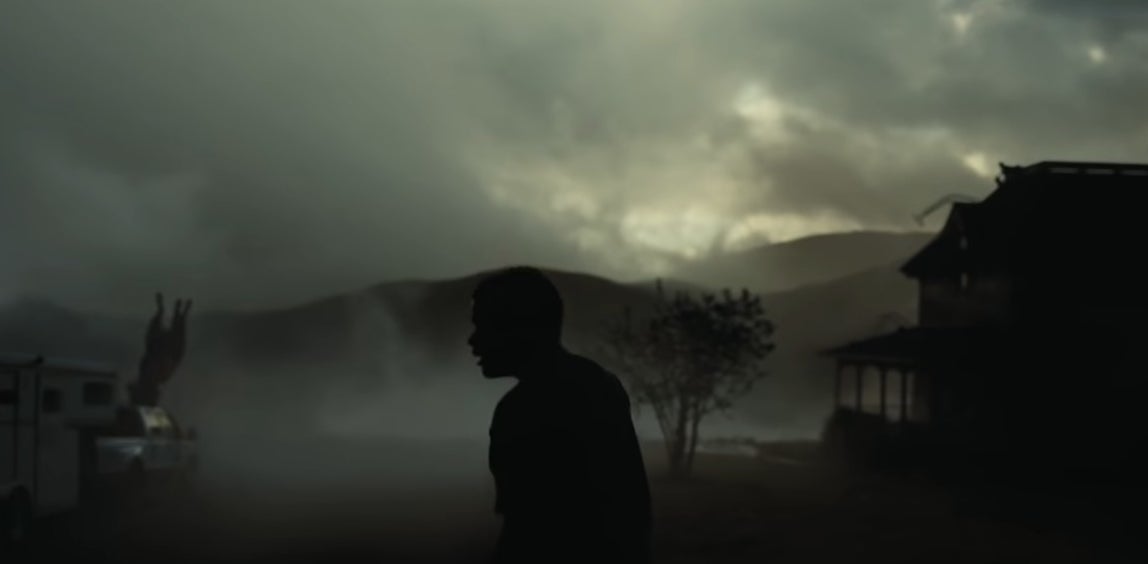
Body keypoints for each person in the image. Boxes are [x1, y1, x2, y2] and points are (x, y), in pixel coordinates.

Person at [469, 266, 652, 564]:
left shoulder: (521, 410)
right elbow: (631, 510)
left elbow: (525, 531)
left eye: (483, 327)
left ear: (520, 329)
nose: (472, 341)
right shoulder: (600, 383)